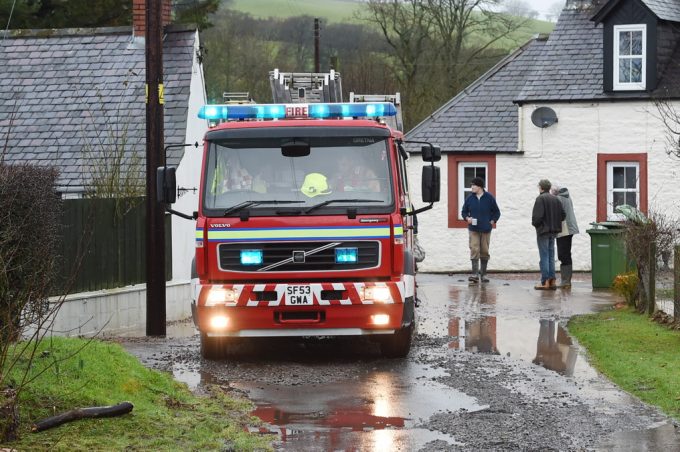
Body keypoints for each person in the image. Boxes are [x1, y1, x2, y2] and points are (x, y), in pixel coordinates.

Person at [460, 177, 501, 283]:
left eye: (474, 185)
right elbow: (464, 212)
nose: (472, 187)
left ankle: (483, 275)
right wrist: (467, 218)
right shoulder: (469, 198)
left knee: (484, 251)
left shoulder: (489, 197)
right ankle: (474, 274)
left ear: (480, 187)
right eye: (471, 185)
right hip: (473, 229)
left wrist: (493, 220)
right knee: (474, 249)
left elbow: (497, 212)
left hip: (486, 229)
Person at [531, 179, 565, 290]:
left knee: (544, 256)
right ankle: (552, 280)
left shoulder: (540, 199)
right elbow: (563, 215)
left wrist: (537, 225)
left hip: (543, 231)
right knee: (551, 256)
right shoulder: (556, 199)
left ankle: (545, 281)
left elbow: (537, 218)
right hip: (553, 231)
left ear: (541, 187)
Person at [550, 184, 579, 289]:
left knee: (563, 254)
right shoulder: (567, 197)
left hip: (564, 229)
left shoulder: (559, 199)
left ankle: (566, 281)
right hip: (569, 229)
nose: (551, 194)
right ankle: (566, 280)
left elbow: (558, 215)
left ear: (556, 192)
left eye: (552, 192)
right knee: (565, 253)